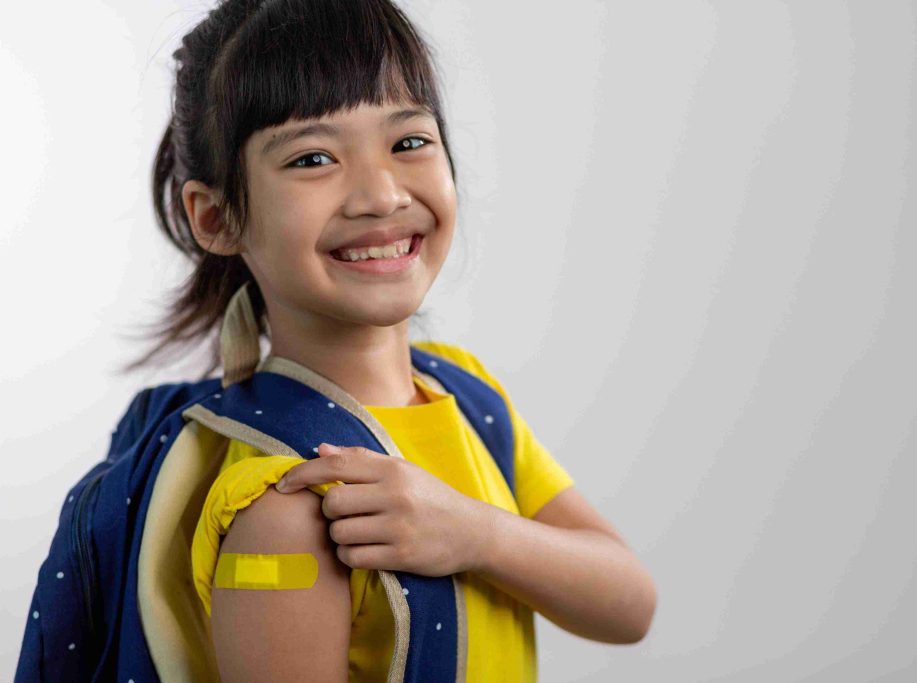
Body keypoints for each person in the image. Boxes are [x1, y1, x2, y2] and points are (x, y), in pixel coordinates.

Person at [129, 0, 657, 680]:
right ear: (216, 216)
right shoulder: (290, 508)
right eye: (313, 157)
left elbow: (630, 604)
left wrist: (476, 533)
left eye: (408, 142)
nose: (380, 195)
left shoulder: (466, 395)